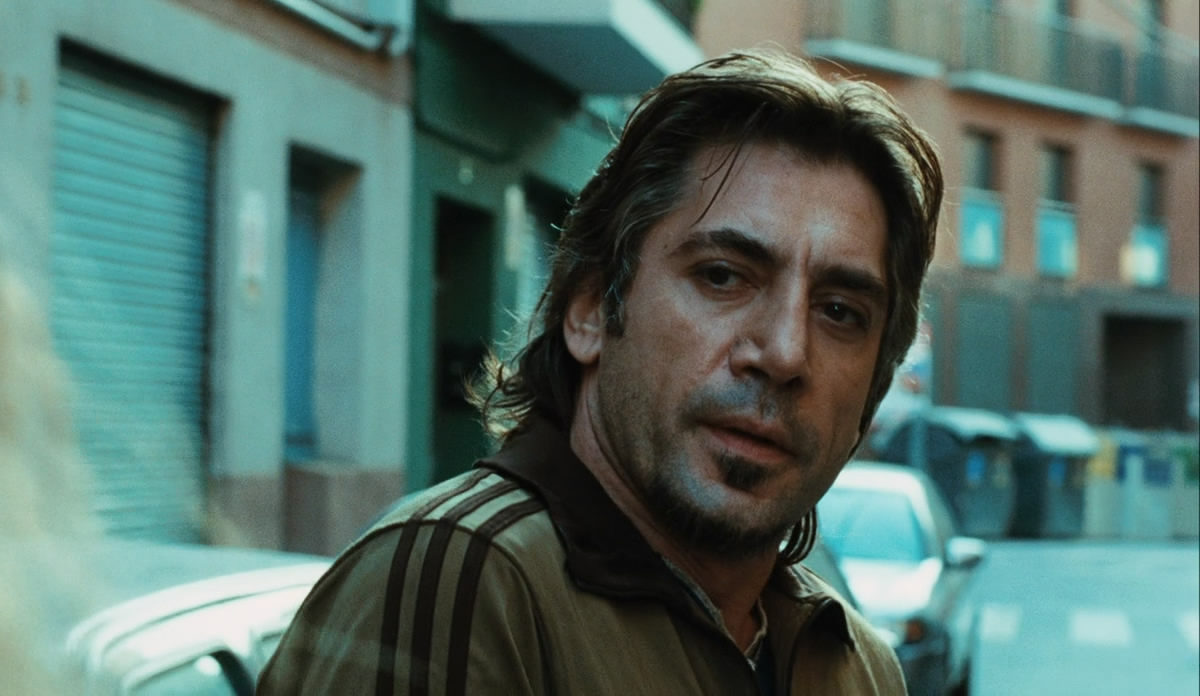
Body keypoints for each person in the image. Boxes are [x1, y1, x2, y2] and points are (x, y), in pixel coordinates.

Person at [258, 47, 942, 695]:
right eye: (723, 276)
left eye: (841, 312)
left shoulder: (858, 665)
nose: (786, 353)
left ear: (873, 388)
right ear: (589, 309)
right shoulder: (459, 580)